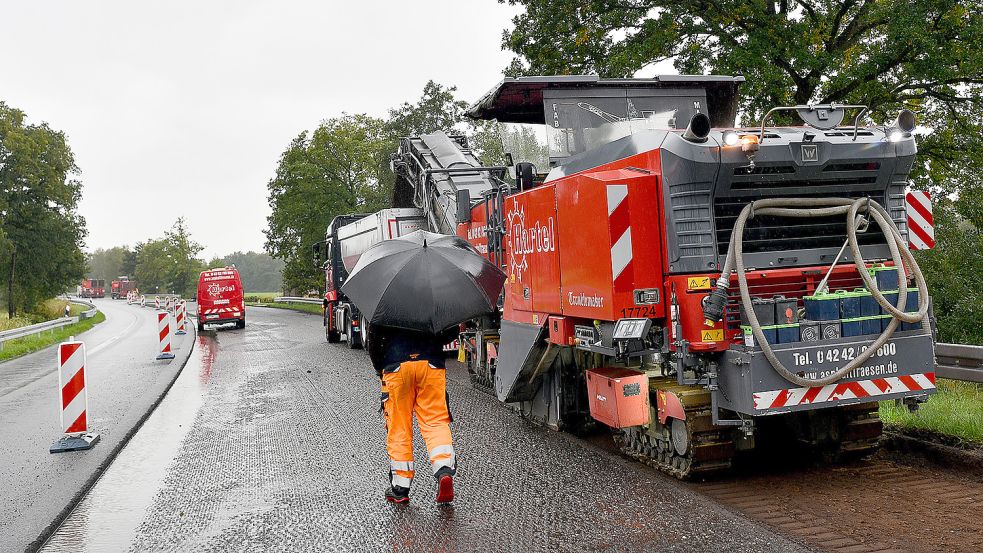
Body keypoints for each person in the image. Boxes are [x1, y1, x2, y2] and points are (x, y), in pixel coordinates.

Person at [367, 325, 456, 504]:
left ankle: (400, 488)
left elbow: (374, 337)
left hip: (396, 365)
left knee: (399, 428)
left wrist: (379, 367)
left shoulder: (387, 302)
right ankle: (444, 470)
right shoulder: (434, 298)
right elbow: (450, 332)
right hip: (431, 364)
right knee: (435, 421)